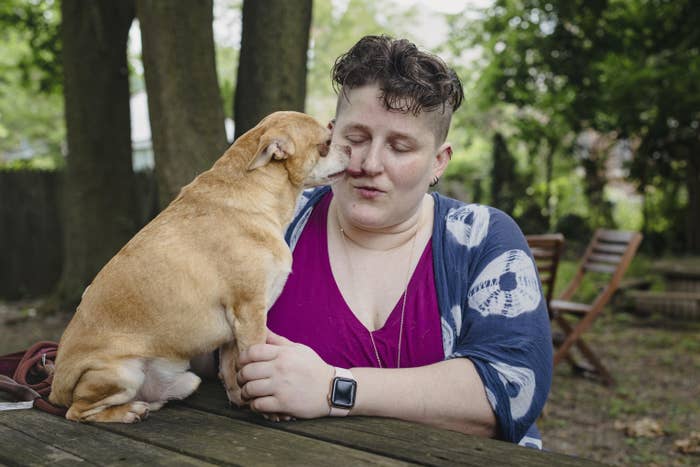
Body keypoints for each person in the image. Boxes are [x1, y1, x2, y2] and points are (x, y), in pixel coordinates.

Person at [217, 35, 552, 448]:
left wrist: (333, 388)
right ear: (330, 135)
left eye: (400, 146)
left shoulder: (483, 239)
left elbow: (510, 391)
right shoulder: (267, 225)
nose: (369, 164)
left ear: (438, 162)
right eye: (355, 139)